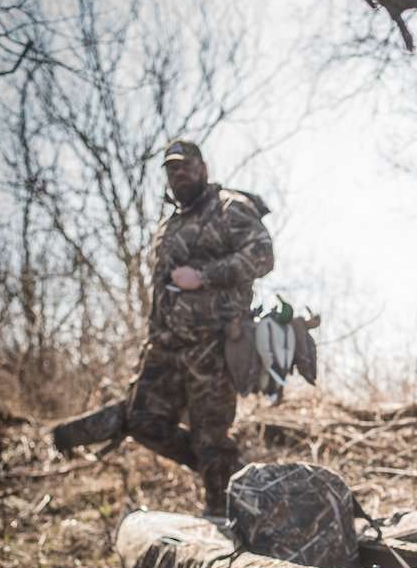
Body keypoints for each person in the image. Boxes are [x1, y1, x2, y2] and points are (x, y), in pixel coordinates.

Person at [52, 140, 274, 515]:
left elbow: (263, 256)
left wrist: (203, 276)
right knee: (143, 421)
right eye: (171, 170)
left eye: (185, 166)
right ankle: (226, 472)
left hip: (212, 345)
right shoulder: (168, 224)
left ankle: (223, 513)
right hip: (165, 346)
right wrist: (151, 341)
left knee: (211, 436)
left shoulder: (229, 207)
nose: (178, 174)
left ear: (203, 167)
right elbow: (162, 291)